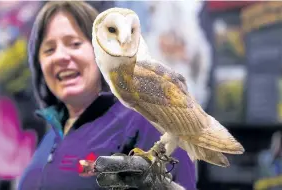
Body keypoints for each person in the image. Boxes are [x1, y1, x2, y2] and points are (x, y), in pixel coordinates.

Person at [18, 1, 196, 190]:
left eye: (74, 44)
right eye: (49, 50)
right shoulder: (51, 136)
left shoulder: (145, 123)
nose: (60, 56)